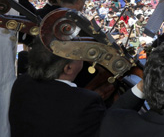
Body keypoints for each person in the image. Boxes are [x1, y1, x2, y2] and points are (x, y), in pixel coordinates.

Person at [9, 37, 144, 137]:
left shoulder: (21, 82)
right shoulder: (84, 102)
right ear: (68, 68)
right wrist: (141, 87)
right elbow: (111, 124)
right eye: (79, 55)